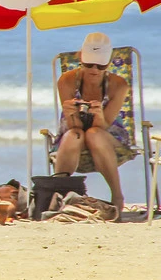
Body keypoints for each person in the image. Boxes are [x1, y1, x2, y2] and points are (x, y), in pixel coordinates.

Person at [52, 32, 131, 214]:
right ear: (80, 57)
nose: (94, 69)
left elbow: (105, 124)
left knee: (94, 133)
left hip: (108, 134)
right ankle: (58, 195)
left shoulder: (118, 85)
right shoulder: (67, 81)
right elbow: (73, 127)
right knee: (75, 135)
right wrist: (71, 113)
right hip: (74, 131)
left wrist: (98, 115)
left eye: (100, 65)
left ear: (109, 63)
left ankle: (117, 196)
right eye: (88, 64)